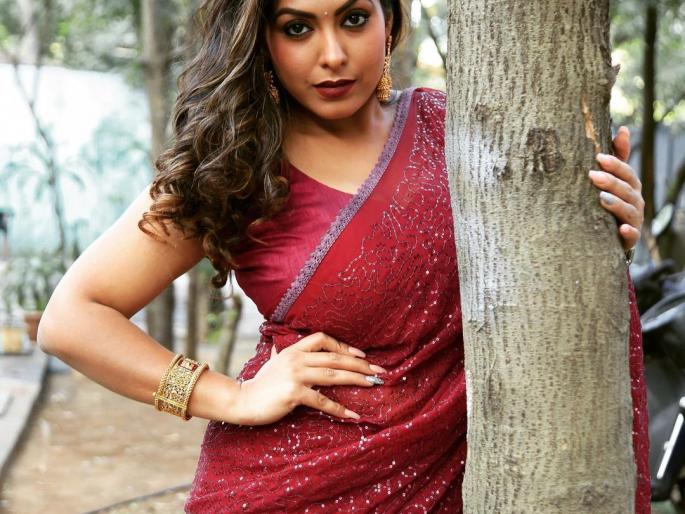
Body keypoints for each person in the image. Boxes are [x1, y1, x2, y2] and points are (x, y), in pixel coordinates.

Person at [37, 0, 649, 512]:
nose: (332, 54)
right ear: (262, 39)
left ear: (390, 19)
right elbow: (72, 318)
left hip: (459, 482)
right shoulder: (235, 166)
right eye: (297, 28)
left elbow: (528, 269)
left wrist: (596, 232)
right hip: (284, 488)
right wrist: (230, 397)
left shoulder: (456, 128)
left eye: (354, 19)